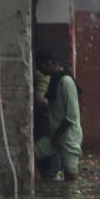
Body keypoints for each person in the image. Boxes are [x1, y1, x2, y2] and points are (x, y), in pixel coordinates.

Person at [34, 50, 83, 182]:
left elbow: (71, 115)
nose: (38, 68)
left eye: (39, 65)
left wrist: (58, 135)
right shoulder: (55, 81)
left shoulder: (65, 82)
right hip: (54, 135)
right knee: (30, 156)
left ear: (49, 64)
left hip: (67, 136)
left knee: (71, 177)